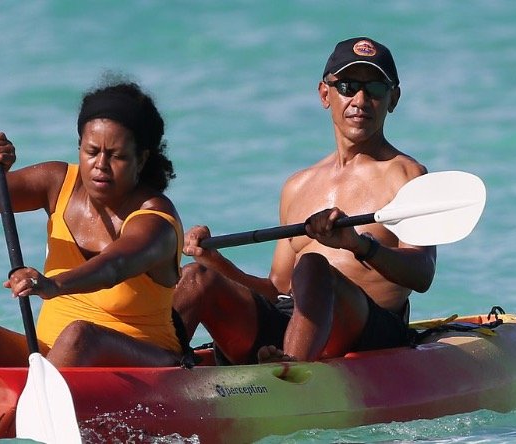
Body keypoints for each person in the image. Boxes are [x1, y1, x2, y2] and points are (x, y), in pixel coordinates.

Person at [173, 37, 436, 364]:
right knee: (195, 278)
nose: (360, 99)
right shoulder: (297, 186)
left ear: (393, 99)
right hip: (292, 324)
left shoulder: (408, 176)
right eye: (348, 87)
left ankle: (289, 372)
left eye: (375, 89)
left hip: (368, 332)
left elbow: (422, 274)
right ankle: (150, 371)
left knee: (313, 266)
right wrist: (215, 261)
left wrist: (359, 245)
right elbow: (277, 290)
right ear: (325, 94)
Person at [0, 79, 187, 368]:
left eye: (116, 156)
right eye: (91, 151)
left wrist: (53, 284)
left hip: (147, 362)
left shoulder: (156, 219)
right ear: (79, 147)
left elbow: (114, 267)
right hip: (52, 355)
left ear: (141, 159)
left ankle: (36, 393)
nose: (100, 165)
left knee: (79, 336)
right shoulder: (57, 183)